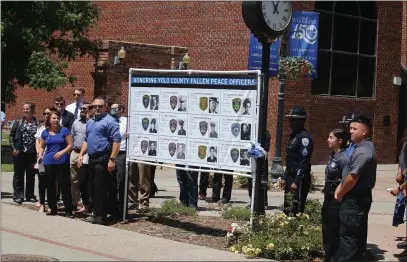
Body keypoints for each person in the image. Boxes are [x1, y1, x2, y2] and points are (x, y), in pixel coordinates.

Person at [334, 115, 377, 261]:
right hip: (354, 198)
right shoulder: (359, 148)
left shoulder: (364, 151)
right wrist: (341, 185)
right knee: (353, 238)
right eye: (350, 128)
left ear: (364, 131)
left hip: (355, 200)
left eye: (354, 128)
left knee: (349, 240)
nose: (350, 131)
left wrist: (341, 192)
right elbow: (349, 171)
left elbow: (353, 177)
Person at [78, 97, 121, 225]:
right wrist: (81, 154)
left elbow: (116, 141)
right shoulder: (90, 122)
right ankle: (95, 212)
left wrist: (112, 159)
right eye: (94, 106)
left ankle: (102, 216)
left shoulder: (110, 121)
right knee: (92, 187)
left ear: (105, 107)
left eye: (99, 106)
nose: (97, 108)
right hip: (91, 158)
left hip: (103, 158)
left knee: (101, 188)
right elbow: (86, 139)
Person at [37, 110, 73, 217]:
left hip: (62, 161)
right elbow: (42, 146)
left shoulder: (64, 131)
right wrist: (40, 155)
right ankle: (53, 209)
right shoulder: (45, 132)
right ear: (49, 120)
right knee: (50, 185)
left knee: (64, 185)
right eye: (54, 118)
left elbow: (70, 145)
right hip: (48, 162)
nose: (56, 120)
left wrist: (62, 152)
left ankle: (68, 210)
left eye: (57, 118)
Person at [322, 128, 350, 262]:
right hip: (328, 195)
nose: (328, 140)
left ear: (340, 140)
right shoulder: (333, 156)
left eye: (331, 137)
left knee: (333, 228)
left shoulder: (344, 158)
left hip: (336, 197)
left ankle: (333, 256)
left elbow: (346, 179)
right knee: (327, 227)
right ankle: (327, 254)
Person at [280, 105, 313, 216]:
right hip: (291, 175)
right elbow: (290, 160)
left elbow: (303, 161)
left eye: (292, 119)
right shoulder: (293, 136)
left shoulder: (304, 138)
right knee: (288, 207)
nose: (290, 122)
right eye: (290, 119)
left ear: (300, 121)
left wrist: (296, 181)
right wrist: (285, 177)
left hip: (299, 179)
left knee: (296, 209)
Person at [9, 102, 39, 204]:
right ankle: (18, 196)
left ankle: (30, 195)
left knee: (31, 175)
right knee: (18, 175)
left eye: (27, 109)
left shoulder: (37, 123)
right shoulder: (18, 122)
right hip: (19, 153)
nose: (25, 111)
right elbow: (11, 136)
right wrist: (13, 148)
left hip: (32, 153)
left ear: (32, 110)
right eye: (24, 109)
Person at [70, 102, 91, 213]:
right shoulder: (76, 122)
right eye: (81, 109)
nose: (82, 110)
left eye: (85, 109)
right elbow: (72, 136)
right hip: (75, 152)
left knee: (84, 180)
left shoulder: (92, 122)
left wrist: (82, 154)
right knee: (74, 180)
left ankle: (86, 204)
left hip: (86, 154)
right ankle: (74, 203)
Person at [109, 103, 128, 215]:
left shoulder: (126, 121)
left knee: (120, 181)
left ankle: (122, 208)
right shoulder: (109, 121)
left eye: (115, 109)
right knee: (111, 182)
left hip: (121, 153)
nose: (113, 111)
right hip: (110, 153)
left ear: (121, 109)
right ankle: (112, 208)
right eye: (111, 109)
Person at [35, 107, 52, 212]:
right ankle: (42, 203)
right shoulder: (41, 127)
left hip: (52, 158)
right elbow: (37, 141)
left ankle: (51, 204)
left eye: (48, 113)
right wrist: (39, 154)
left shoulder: (57, 127)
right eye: (44, 113)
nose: (46, 115)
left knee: (51, 181)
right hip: (41, 157)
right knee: (41, 181)